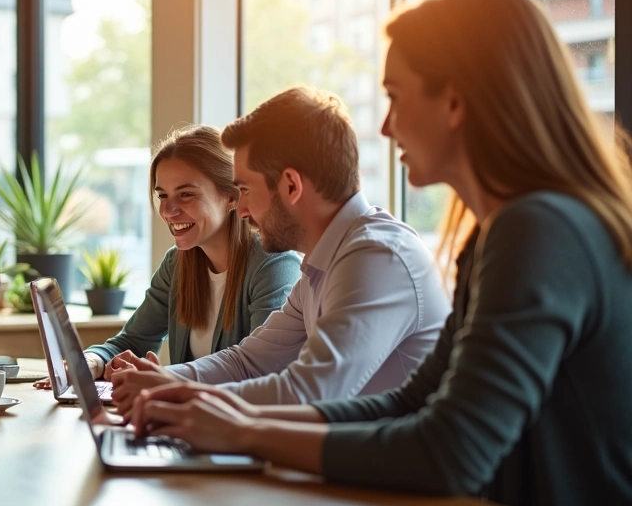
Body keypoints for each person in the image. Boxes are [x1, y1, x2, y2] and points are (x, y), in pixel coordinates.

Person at [132, 0, 632, 506]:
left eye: (395, 96)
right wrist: (226, 416)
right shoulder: (498, 235)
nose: (387, 125)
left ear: (455, 102)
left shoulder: (536, 230)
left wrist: (244, 431)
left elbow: (450, 450)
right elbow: (415, 402)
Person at [109, 87, 449, 414]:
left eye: (245, 190)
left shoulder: (375, 257)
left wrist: (177, 394)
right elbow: (248, 362)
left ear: (290, 185)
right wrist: (164, 379)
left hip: (384, 455)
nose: (242, 210)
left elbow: (309, 392)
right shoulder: (321, 266)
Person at [35, 125, 301, 393]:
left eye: (186, 194)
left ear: (231, 197)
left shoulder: (273, 264)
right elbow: (133, 341)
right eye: (162, 195)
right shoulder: (177, 264)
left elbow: (260, 369)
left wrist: (160, 377)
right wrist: (90, 362)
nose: (168, 210)